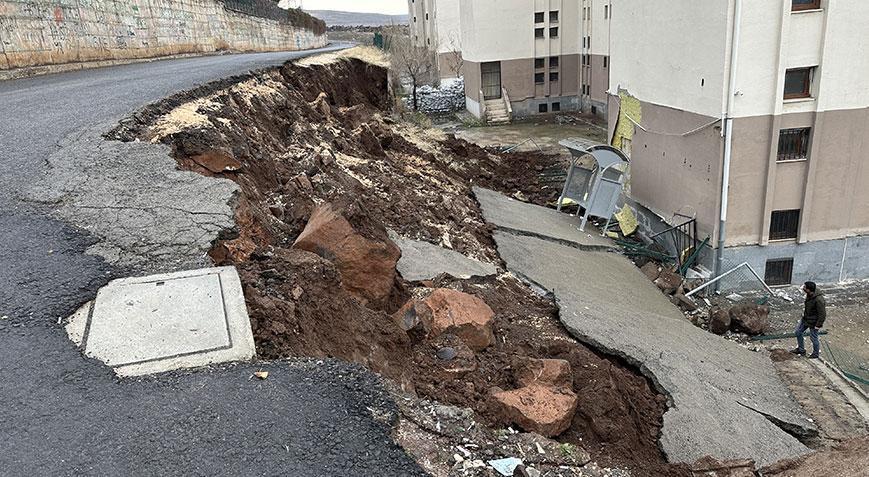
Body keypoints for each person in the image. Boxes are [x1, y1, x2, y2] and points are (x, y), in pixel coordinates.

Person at [791, 281, 826, 359]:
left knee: (813, 337)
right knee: (798, 332)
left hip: (814, 322)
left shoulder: (819, 300)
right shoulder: (809, 295)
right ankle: (801, 349)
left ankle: (815, 354)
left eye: (805, 287)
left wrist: (818, 325)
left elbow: (822, 314)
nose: (803, 288)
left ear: (809, 290)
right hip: (806, 319)